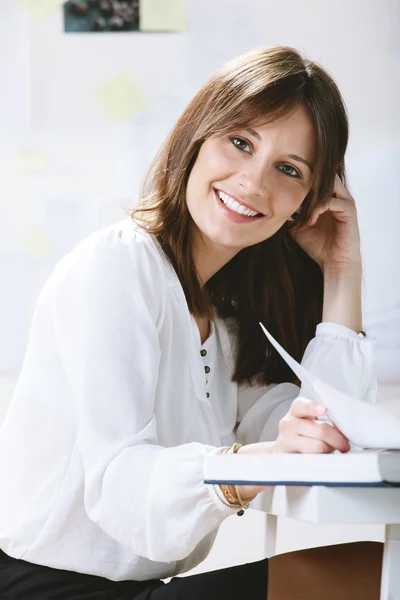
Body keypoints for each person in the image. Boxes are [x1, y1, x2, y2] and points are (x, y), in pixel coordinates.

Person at [0, 46, 383, 599]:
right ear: (199, 135)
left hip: (138, 589)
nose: (253, 182)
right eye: (241, 141)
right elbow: (121, 485)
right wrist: (255, 463)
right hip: (40, 589)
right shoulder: (120, 263)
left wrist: (342, 270)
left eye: (288, 169)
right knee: (360, 576)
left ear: (305, 203)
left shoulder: (224, 319)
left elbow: (330, 435)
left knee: (372, 569)